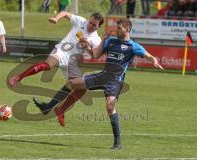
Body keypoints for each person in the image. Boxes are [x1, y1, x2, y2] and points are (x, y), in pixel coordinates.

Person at [47, 18, 164, 149]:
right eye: (117, 27)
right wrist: (95, 43)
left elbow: (149, 56)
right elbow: (95, 54)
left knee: (110, 107)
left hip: (115, 81)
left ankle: (118, 143)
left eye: (119, 28)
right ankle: (58, 108)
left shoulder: (133, 46)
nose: (116, 30)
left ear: (128, 30)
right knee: (73, 83)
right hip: (103, 76)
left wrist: (154, 61)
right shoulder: (110, 40)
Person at [8, 11, 104, 114]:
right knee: (47, 65)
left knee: (80, 87)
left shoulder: (96, 39)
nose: (91, 25)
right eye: (90, 22)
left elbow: (95, 55)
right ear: (89, 19)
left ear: (99, 26)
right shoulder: (81, 21)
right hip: (62, 51)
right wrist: (56, 18)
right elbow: (65, 13)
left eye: (94, 25)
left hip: (71, 61)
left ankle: (48, 107)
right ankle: (18, 77)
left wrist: (88, 47)